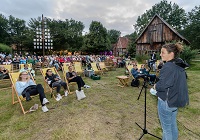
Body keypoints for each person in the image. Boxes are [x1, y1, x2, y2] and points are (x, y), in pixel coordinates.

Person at [153, 43, 189, 140]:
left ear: (171, 54)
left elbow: (163, 85)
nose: (160, 55)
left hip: (166, 101)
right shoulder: (179, 65)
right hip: (174, 100)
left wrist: (155, 86)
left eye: (163, 52)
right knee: (172, 126)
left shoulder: (168, 66)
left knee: (167, 130)